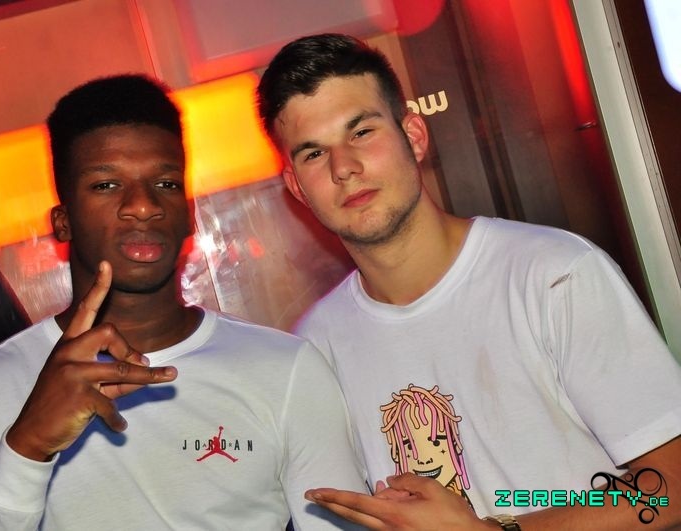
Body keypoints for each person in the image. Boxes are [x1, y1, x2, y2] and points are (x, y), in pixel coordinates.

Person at [257, 33, 681, 530]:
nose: (344, 168)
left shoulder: (553, 275)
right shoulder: (315, 347)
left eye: (362, 132)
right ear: (297, 188)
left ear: (414, 136)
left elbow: (671, 487)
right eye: (313, 154)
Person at [0, 74, 366, 530]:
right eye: (106, 185)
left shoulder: (284, 368)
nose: (142, 205)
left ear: (189, 215)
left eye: (166, 183)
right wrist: (28, 445)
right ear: (62, 221)